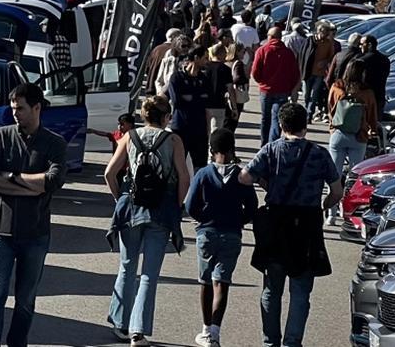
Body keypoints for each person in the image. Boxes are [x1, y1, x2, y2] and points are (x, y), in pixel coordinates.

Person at [240, 103, 344, 347]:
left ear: (281, 125)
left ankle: (270, 341)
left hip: (276, 224)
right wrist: (324, 205)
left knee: (271, 289)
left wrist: (268, 184)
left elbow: (245, 177)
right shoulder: (319, 154)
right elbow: (337, 191)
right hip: (307, 225)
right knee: (300, 292)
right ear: (305, 126)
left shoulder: (271, 150)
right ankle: (292, 342)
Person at [0, 83, 67, 347]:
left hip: (35, 234)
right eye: (13, 108)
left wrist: (13, 177)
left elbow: (52, 182)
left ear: (37, 108)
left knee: (25, 300)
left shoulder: (54, 143)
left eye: (21, 109)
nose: (15, 113)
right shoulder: (0, 137)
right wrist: (29, 185)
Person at [105, 95, 188, 346]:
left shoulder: (130, 137)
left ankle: (120, 323)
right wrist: (178, 205)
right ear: (165, 117)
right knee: (150, 274)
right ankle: (138, 331)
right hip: (161, 210)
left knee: (127, 266)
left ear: (144, 115)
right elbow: (184, 177)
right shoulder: (173, 140)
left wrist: (120, 198)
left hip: (131, 207)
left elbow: (109, 172)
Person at [184, 128, 258, 347]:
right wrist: (240, 220)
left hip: (207, 232)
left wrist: (202, 218)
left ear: (211, 149)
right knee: (222, 282)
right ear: (232, 149)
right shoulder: (241, 175)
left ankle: (205, 329)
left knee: (205, 281)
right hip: (232, 234)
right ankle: (216, 332)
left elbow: (190, 205)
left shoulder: (204, 174)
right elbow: (252, 206)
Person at [325, 61, 380, 223]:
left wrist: (332, 127)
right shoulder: (367, 93)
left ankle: (331, 214)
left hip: (338, 134)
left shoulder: (337, 88)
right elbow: (372, 115)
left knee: (334, 175)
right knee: (355, 178)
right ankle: (350, 213)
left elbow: (330, 107)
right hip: (358, 137)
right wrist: (372, 129)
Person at [251, 26, 301, 145]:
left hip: (266, 90)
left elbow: (255, 72)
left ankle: (264, 144)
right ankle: (272, 143)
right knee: (277, 119)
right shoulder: (289, 53)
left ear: (270, 37)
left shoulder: (262, 50)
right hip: (283, 90)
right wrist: (292, 88)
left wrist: (262, 82)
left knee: (265, 118)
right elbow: (295, 73)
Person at [168, 44, 212, 169]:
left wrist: (190, 98)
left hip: (200, 129)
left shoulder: (204, 79)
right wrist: (197, 99)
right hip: (181, 128)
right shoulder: (177, 78)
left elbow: (207, 102)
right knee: (177, 164)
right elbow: (177, 102)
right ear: (196, 58)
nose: (206, 61)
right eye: (204, 58)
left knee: (200, 164)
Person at [304, 22, 339, 121]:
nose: (325, 34)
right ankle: (306, 110)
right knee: (306, 94)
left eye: (326, 32)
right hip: (308, 71)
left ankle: (309, 114)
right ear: (318, 31)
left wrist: (325, 62)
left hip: (319, 73)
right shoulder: (311, 41)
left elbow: (332, 57)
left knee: (314, 94)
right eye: (323, 32)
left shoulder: (329, 43)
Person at [206, 40, 235, 135]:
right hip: (219, 104)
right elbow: (230, 89)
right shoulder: (225, 69)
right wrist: (234, 108)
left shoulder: (205, 67)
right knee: (216, 131)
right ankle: (213, 149)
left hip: (205, 103)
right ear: (221, 53)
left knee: (206, 131)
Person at [358, 34, 392, 113]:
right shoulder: (385, 59)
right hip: (379, 95)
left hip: (365, 96)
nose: (360, 47)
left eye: (362, 44)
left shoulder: (362, 60)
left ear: (369, 45)